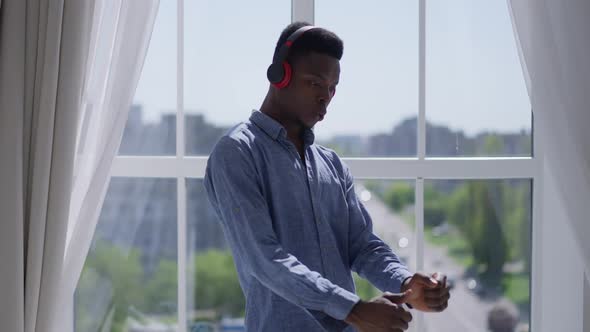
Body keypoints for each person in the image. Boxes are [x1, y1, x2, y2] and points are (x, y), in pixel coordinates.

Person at [204, 21, 451, 331]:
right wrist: (355, 309)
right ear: (280, 76)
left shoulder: (331, 164)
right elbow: (264, 259)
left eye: (332, 88)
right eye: (315, 83)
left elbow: (361, 245)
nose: (326, 97)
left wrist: (404, 281)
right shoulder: (237, 153)